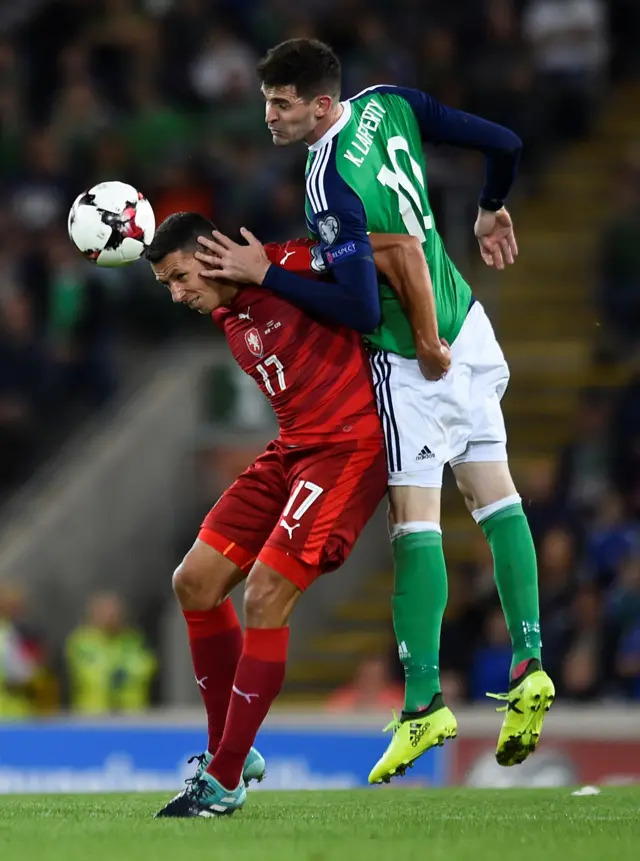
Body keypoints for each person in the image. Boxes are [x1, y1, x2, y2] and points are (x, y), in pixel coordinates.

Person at [197, 38, 554, 785]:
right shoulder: (389, 101)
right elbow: (505, 143)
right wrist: (491, 207)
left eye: (282, 104)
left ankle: (423, 702)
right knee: (498, 497)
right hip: (470, 324)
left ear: (322, 105)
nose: (269, 116)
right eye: (267, 100)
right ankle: (530, 663)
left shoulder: (328, 179)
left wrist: (268, 273)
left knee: (415, 524)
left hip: (409, 358)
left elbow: (359, 305)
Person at [145, 212, 439, 817]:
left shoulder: (286, 261)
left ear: (210, 253)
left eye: (179, 278)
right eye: (166, 287)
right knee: (194, 582)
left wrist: (431, 339)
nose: (177, 296)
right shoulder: (225, 308)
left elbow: (397, 249)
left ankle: (223, 775)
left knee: (264, 593)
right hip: (291, 449)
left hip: (347, 450)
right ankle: (235, 748)